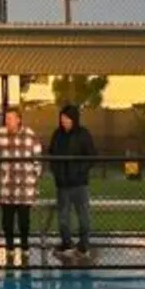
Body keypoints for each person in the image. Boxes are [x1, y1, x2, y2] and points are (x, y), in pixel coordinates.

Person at [0, 107, 44, 265]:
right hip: (5, 186)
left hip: (24, 185)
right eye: (6, 118)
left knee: (24, 220)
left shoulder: (29, 135)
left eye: (11, 118)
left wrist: (35, 175)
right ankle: (9, 247)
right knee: (7, 220)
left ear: (19, 119)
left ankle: (25, 246)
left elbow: (37, 156)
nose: (8, 121)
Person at [48, 103, 97, 263]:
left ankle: (83, 245)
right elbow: (51, 154)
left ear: (73, 119)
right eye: (62, 119)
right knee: (63, 217)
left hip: (79, 184)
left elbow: (92, 157)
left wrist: (79, 171)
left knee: (83, 216)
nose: (64, 122)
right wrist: (56, 172)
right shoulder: (57, 135)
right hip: (62, 185)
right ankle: (67, 244)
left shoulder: (83, 134)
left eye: (67, 119)